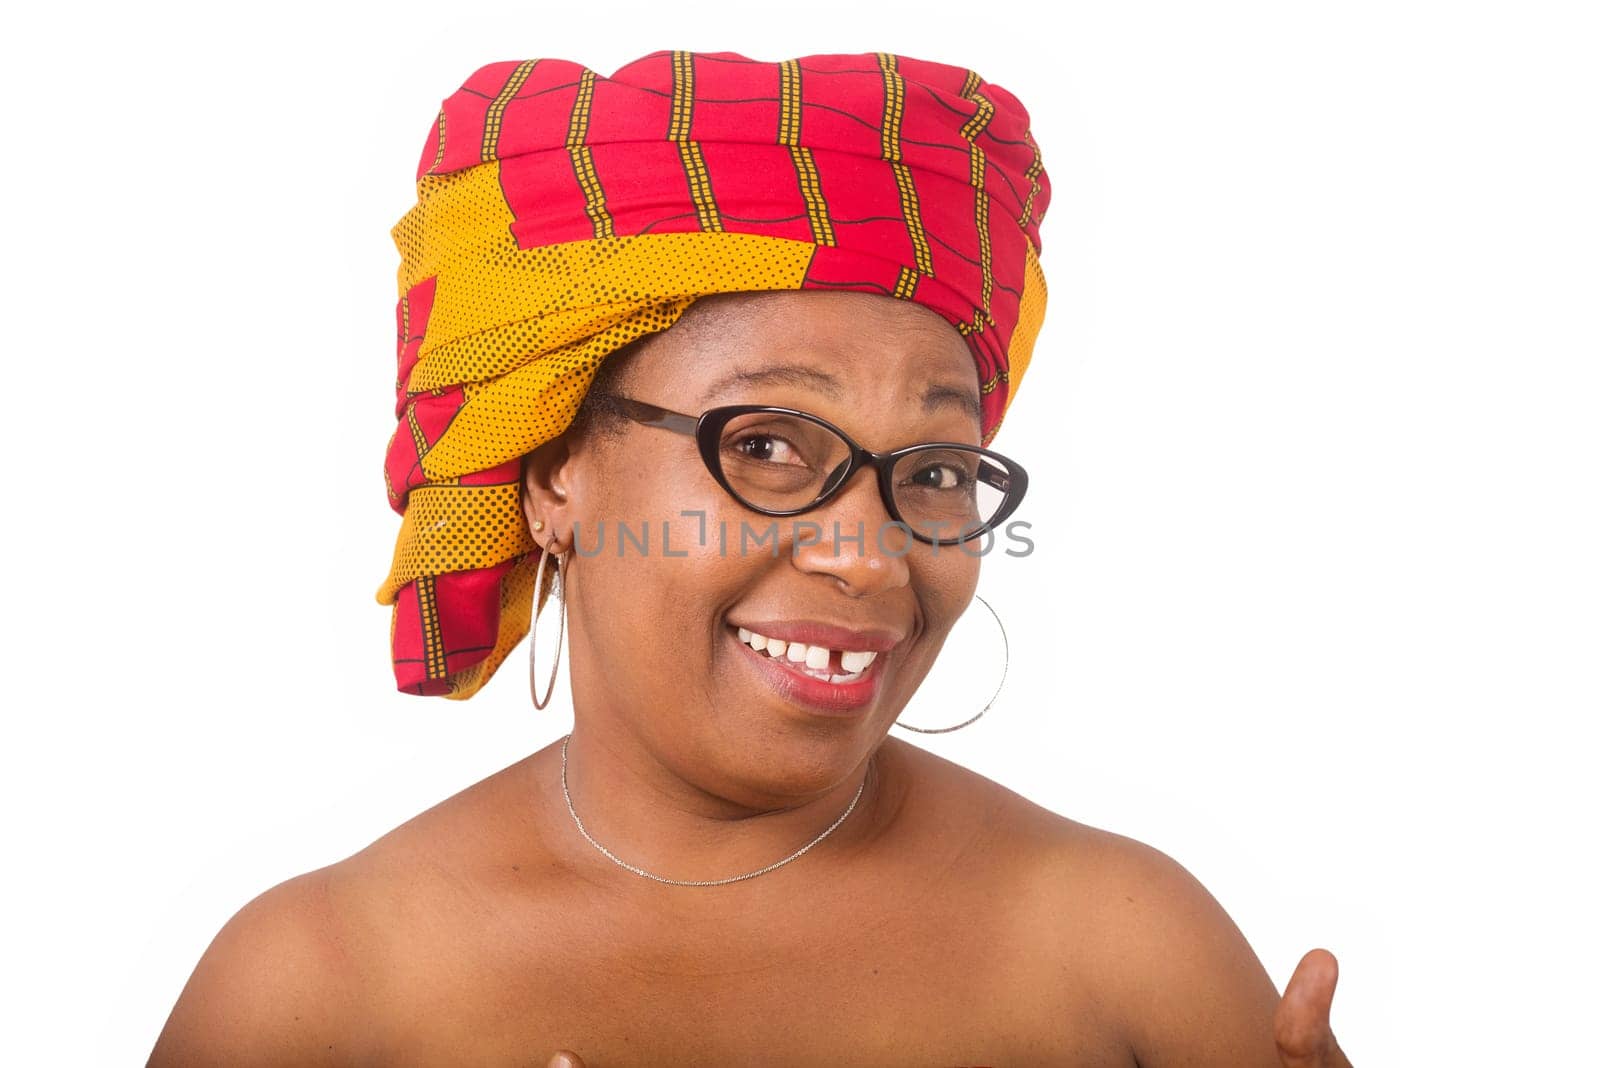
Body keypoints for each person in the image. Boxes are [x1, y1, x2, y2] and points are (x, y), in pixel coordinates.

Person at [149, 50, 1353, 1066]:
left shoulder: (1123, 949)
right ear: (552, 473)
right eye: (769, 444)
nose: (870, 561)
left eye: (932, 470)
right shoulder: (319, 991)